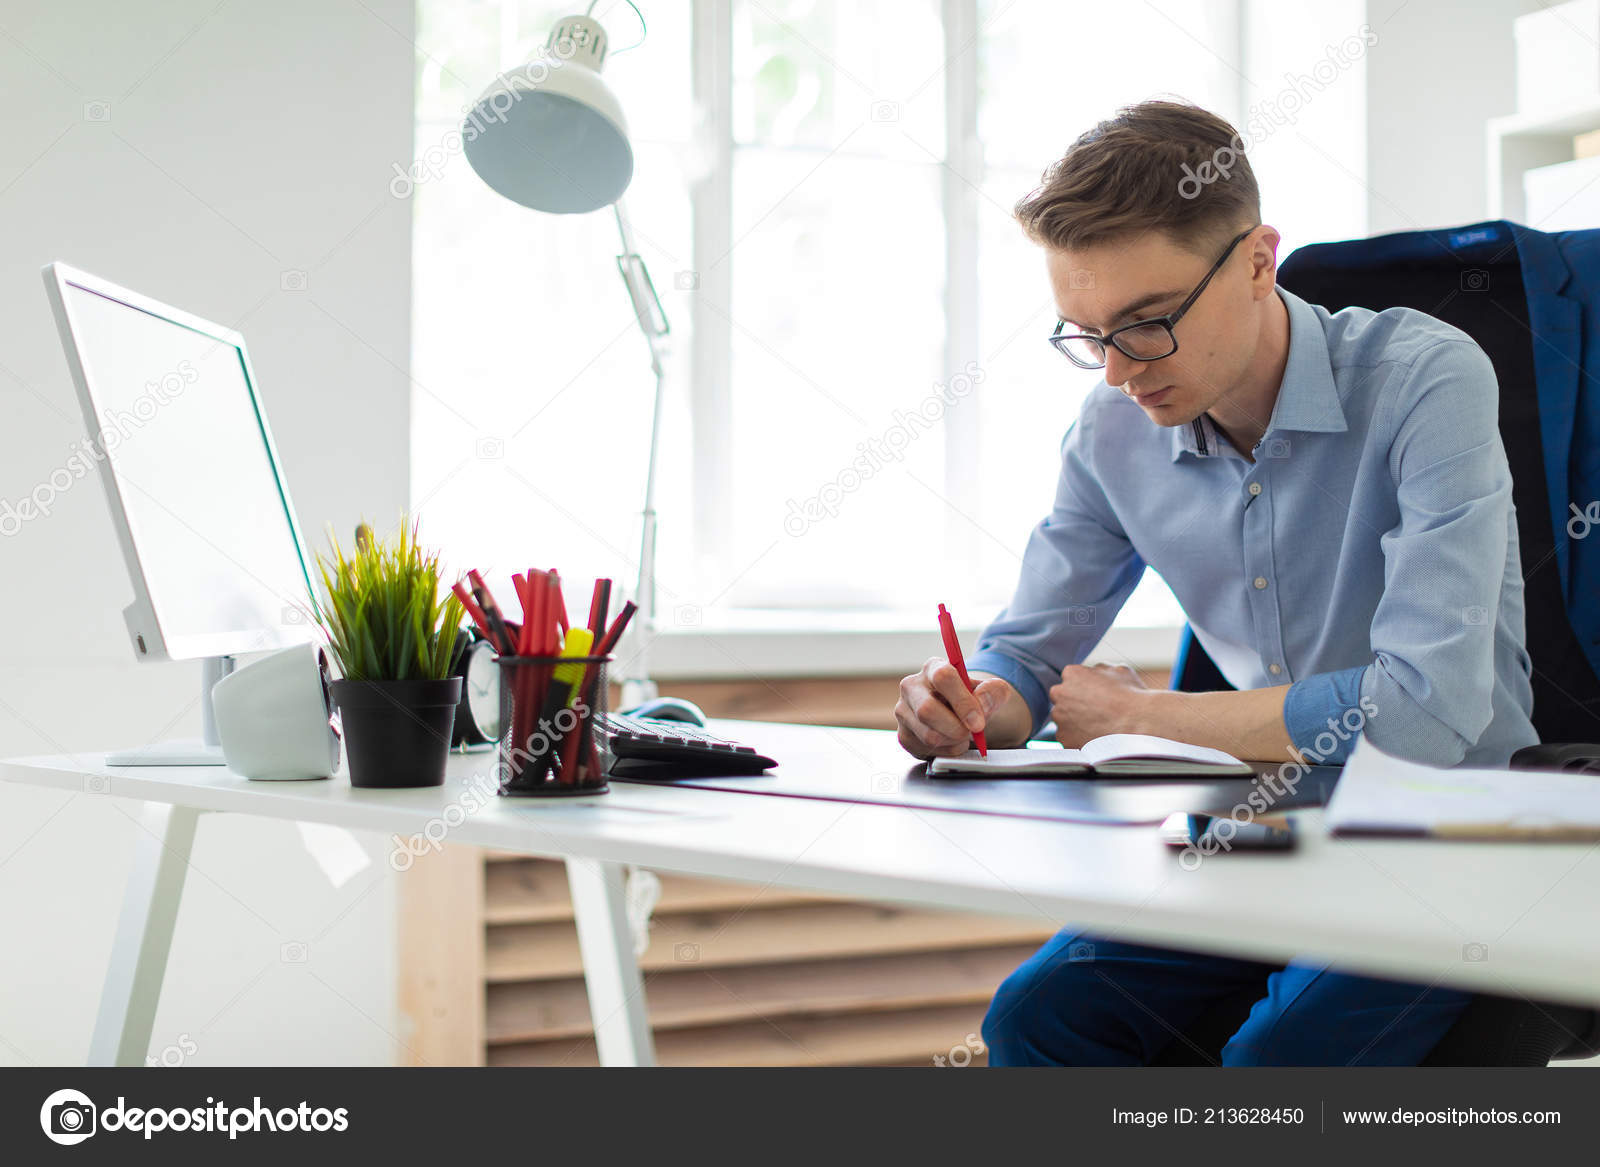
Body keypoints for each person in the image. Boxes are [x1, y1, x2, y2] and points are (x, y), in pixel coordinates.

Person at [893, 100, 1536, 1066]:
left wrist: (1147, 717)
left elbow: (1422, 715)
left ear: (1256, 261)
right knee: (1037, 1016)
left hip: (1448, 838)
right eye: (1086, 334)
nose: (1115, 373)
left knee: (1276, 1060)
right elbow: (1028, 656)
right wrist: (977, 704)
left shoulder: (1426, 381)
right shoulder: (1112, 433)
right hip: (1265, 829)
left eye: (1147, 325)